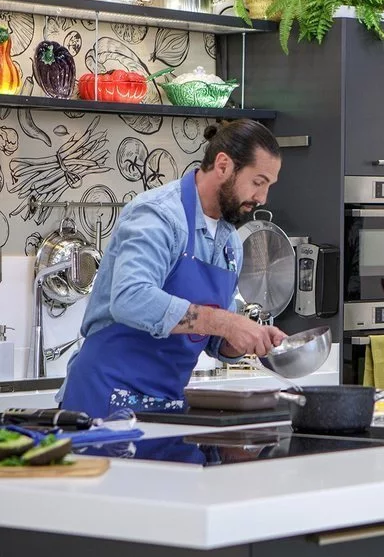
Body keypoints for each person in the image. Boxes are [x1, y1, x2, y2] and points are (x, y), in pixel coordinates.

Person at [58, 119, 288, 418]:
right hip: (105, 397)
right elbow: (131, 298)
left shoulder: (230, 242)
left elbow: (213, 339)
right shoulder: (158, 215)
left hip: (166, 404)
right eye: (258, 182)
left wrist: (245, 339)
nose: (262, 198)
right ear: (223, 165)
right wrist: (227, 323)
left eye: (268, 186)